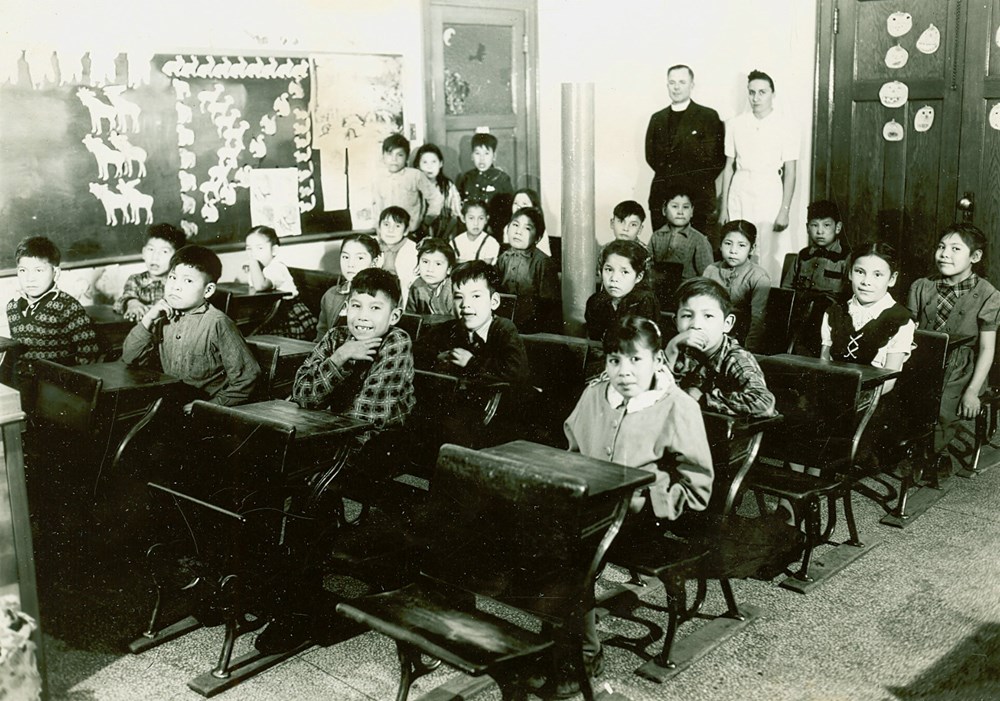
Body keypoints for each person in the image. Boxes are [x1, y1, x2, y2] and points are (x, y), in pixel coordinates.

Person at [563, 315, 714, 692]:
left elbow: (697, 487)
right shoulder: (594, 395)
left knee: (571, 553)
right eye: (615, 360)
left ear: (658, 361)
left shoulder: (677, 406)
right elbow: (572, 453)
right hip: (595, 509)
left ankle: (583, 657)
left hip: (648, 516)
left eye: (635, 360)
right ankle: (554, 641)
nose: (624, 371)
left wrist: (648, 496)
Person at [121, 245, 260, 409]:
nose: (176, 286)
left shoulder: (217, 322)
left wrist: (210, 406)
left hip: (204, 410)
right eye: (172, 277)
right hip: (168, 403)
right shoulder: (161, 316)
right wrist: (148, 318)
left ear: (207, 291)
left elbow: (247, 378)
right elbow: (129, 358)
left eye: (188, 280)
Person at [292, 267, 415, 446]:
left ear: (394, 316)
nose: (363, 316)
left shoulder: (396, 341)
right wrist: (340, 356)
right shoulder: (336, 337)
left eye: (375, 308)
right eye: (356, 306)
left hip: (379, 439)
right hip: (337, 430)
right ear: (346, 308)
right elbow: (301, 396)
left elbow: (367, 416)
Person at [907, 224, 1000, 457]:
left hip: (962, 366)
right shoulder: (921, 286)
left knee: (941, 405)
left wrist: (972, 391)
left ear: (975, 257)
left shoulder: (989, 295)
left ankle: (933, 456)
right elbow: (908, 330)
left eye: (955, 248)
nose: (944, 254)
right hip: (923, 355)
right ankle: (907, 448)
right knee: (903, 398)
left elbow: (987, 349)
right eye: (941, 246)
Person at [720, 69, 799, 281]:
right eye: (752, 92)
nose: (756, 98)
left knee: (771, 250)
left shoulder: (785, 125)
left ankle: (770, 302)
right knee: (739, 246)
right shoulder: (735, 124)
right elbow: (729, 167)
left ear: (773, 94)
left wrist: (784, 210)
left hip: (769, 191)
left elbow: (791, 172)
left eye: (762, 92)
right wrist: (723, 208)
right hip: (740, 190)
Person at [666, 278, 776, 417]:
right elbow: (651, 393)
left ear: (727, 323)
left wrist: (703, 399)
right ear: (675, 321)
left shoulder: (736, 358)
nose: (696, 324)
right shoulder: (679, 350)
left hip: (730, 435)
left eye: (708, 316)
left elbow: (764, 404)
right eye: (687, 315)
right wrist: (671, 350)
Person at [414, 260, 529, 385]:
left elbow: (516, 372)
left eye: (476, 296)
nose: (465, 305)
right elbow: (415, 353)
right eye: (458, 297)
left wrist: (471, 363)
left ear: (494, 301)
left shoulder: (504, 328)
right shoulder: (448, 328)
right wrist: (436, 359)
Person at [5, 236, 99, 387]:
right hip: (23, 384)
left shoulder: (68, 306)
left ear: (56, 272)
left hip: (58, 387)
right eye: (23, 270)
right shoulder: (12, 307)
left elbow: (89, 354)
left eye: (39, 270)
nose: (30, 278)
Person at [821, 242, 914, 391]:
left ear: (892, 279)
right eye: (859, 272)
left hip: (874, 400)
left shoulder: (901, 321)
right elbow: (824, 364)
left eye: (877, 275)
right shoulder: (834, 312)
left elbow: (888, 383)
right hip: (832, 393)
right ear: (850, 273)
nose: (866, 282)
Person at [645, 64, 725, 232]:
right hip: (662, 196)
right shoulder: (657, 118)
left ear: (691, 85)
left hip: (698, 199)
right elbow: (651, 156)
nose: (676, 87)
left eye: (682, 82)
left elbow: (716, 160)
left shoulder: (708, 116)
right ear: (667, 85)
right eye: (672, 82)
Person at [704, 220, 771, 350]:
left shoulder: (758, 276)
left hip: (741, 341)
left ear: (752, 248)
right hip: (711, 337)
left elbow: (757, 320)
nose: (733, 251)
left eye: (741, 245)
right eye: (728, 244)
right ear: (720, 245)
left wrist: (747, 350)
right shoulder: (711, 270)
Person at [243, 225, 317, 340]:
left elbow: (260, 286)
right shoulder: (260, 269)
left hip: (287, 314)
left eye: (260, 248)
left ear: (274, 250)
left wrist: (252, 263)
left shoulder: (276, 267)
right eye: (249, 249)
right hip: (271, 312)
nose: (253, 254)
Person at [495, 206, 561, 333]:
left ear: (537, 238)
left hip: (532, 325)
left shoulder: (543, 262)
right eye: (515, 225)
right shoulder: (504, 258)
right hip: (505, 321)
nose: (518, 232)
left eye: (527, 228)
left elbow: (548, 304)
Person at [648, 185, 713, 308]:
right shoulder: (656, 236)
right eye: (674, 206)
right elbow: (648, 266)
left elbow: (707, 276)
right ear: (664, 210)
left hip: (687, 294)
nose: (680, 212)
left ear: (692, 211)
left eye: (686, 207)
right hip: (659, 292)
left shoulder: (699, 240)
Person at [585, 240, 659, 342]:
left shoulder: (644, 301)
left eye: (625, 272)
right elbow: (595, 340)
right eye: (609, 270)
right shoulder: (595, 301)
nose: (614, 278)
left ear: (639, 276)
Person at [372, 133, 443, 236]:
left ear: (407, 157)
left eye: (399, 155)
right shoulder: (378, 179)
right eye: (389, 154)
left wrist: (428, 219)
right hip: (388, 234)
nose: (394, 159)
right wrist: (379, 229)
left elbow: (436, 198)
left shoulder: (415, 176)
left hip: (412, 232)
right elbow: (376, 207)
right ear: (383, 156)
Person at [114, 223, 186, 321]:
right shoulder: (136, 280)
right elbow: (122, 301)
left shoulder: (179, 283)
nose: (155, 257)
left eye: (164, 251)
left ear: (176, 257)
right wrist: (132, 303)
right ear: (143, 253)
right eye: (151, 249)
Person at [316, 234, 380, 341]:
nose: (350, 264)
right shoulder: (331, 295)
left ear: (374, 262)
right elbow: (321, 337)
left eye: (359, 258)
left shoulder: (380, 296)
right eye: (345, 257)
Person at [781, 199, 851, 296]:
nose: (819, 231)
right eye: (814, 225)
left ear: (837, 228)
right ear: (807, 228)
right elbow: (787, 288)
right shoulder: (803, 255)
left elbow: (850, 295)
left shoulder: (846, 257)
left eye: (826, 225)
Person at [455, 131, 513, 231]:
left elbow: (507, 210)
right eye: (477, 153)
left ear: (494, 156)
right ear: (472, 156)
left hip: (494, 230)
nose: (482, 159)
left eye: (486, 153)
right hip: (469, 229)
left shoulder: (502, 178)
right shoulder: (465, 178)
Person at [414, 142, 462, 240]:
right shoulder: (414, 185)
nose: (429, 167)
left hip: (444, 235)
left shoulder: (447, 186)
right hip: (417, 235)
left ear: (441, 163)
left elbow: (455, 215)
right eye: (425, 162)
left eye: (433, 162)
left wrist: (444, 237)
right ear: (418, 165)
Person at [375, 206, 418, 308]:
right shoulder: (372, 245)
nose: (391, 230)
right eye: (386, 225)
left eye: (397, 226)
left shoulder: (413, 249)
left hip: (401, 297)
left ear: (406, 230)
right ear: (379, 228)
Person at [406, 237, 455, 316]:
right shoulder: (416, 286)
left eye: (438, 264)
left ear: (449, 269)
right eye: (425, 262)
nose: (430, 269)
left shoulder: (452, 289)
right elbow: (410, 317)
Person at [502, 188, 551, 255]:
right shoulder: (507, 228)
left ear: (534, 207)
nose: (519, 207)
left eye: (524, 203)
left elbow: (545, 257)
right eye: (515, 203)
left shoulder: (538, 229)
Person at [451, 199, 500, 265]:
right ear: (463, 218)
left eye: (481, 218)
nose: (476, 223)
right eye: (471, 218)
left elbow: (485, 267)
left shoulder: (491, 243)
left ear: (486, 219)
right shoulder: (455, 242)